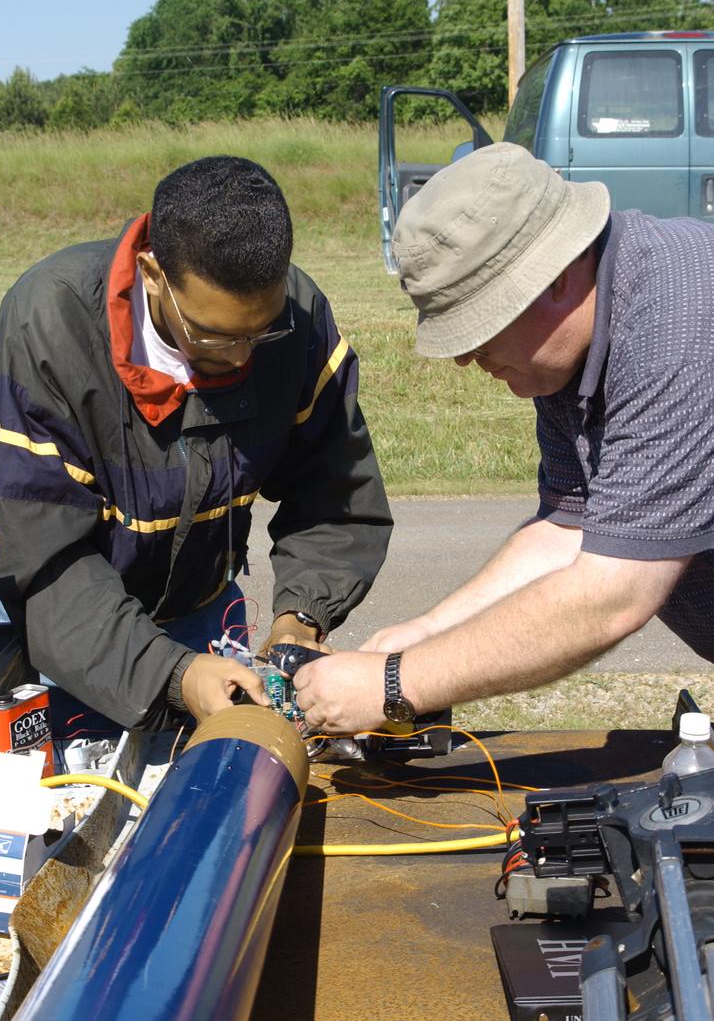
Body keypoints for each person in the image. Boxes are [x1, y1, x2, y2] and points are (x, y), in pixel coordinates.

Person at [0, 156, 392, 730]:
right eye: (212, 336)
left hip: (186, 601)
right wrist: (172, 674)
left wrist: (300, 616)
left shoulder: (296, 315)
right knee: (63, 794)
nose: (241, 356)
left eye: (261, 332)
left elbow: (336, 494)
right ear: (153, 275)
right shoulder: (52, 319)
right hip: (36, 603)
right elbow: (50, 561)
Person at [294, 141, 714, 734]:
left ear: (560, 277)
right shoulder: (572, 349)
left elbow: (613, 594)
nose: (465, 356)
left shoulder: (678, 324)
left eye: (481, 323)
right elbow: (569, 528)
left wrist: (395, 684)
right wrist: (421, 635)